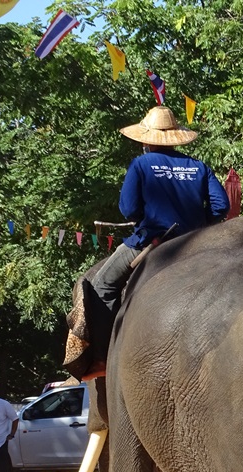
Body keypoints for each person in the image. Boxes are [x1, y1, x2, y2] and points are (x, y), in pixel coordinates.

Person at [84, 105, 230, 379]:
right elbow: (222, 206)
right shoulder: (198, 167)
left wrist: (146, 217)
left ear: (146, 140)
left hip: (151, 242)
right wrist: (199, 225)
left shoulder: (140, 165)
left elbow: (128, 209)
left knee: (101, 284)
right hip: (197, 243)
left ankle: (105, 359)